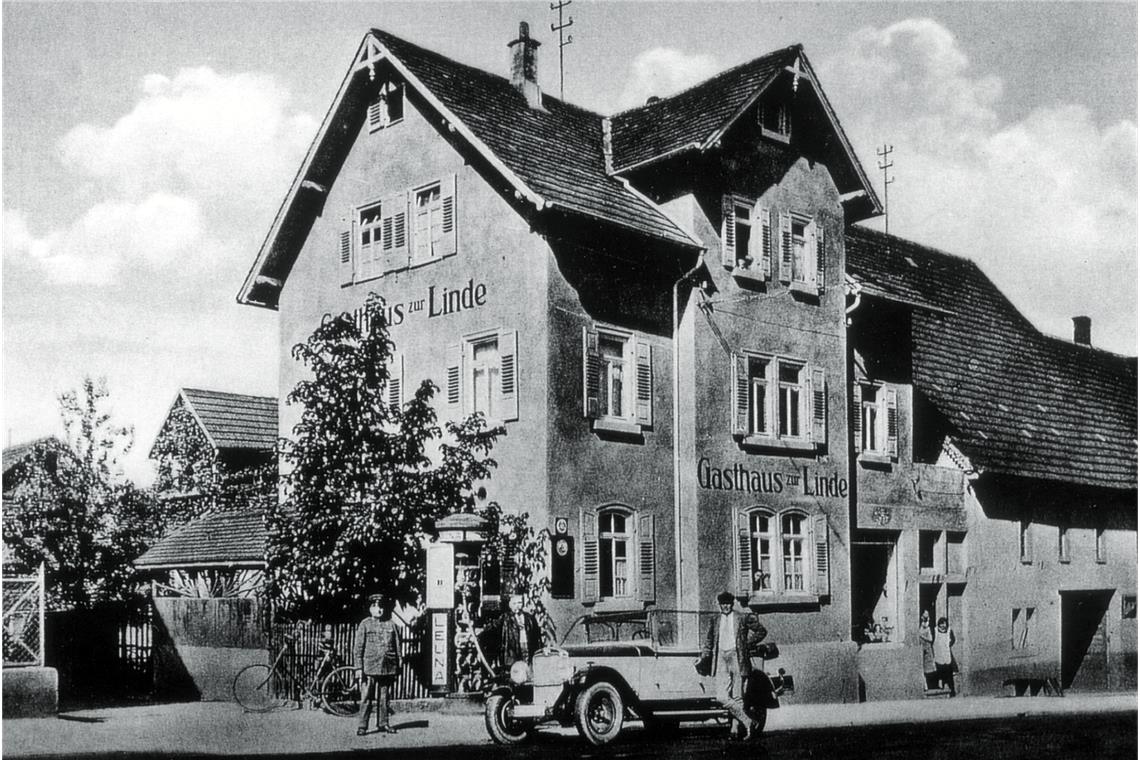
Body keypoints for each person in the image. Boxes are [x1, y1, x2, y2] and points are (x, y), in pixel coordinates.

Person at [696, 591, 767, 741]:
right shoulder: (715, 619)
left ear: (732, 604)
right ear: (719, 605)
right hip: (721, 657)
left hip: (737, 657)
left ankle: (735, 730)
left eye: (728, 604)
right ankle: (749, 721)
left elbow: (761, 631)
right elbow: (709, 641)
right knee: (721, 696)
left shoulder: (742, 617)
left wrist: (746, 644)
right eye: (723, 604)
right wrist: (704, 656)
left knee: (737, 696)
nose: (726, 606)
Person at [354, 594, 401, 736]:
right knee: (366, 698)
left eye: (381, 607)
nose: (379, 610)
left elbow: (397, 646)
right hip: (369, 667)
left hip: (387, 666)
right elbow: (358, 648)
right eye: (375, 607)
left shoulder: (391, 624)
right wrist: (358, 668)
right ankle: (363, 726)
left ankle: (383, 723)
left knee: (384, 698)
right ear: (370, 609)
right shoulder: (365, 624)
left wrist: (399, 662)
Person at [479, 593, 543, 666]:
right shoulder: (506, 618)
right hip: (513, 650)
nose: (517, 606)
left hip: (527, 647)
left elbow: (537, 635)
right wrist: (481, 631)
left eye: (519, 603)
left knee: (528, 667)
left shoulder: (530, 618)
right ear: (510, 605)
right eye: (514, 603)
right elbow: (494, 626)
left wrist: (540, 650)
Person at [932, 616, 957, 696]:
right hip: (938, 654)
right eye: (941, 624)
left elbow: (953, 639)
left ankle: (952, 690)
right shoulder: (935, 631)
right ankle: (940, 689)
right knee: (939, 672)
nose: (943, 626)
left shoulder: (949, 631)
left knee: (949, 672)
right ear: (939, 625)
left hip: (946, 654)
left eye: (944, 624)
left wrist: (948, 644)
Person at [919, 611, 937, 690]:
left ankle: (931, 685)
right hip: (921, 648)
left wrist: (922, 637)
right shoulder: (920, 626)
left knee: (928, 668)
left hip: (927, 648)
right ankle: (925, 685)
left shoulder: (928, 628)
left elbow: (930, 639)